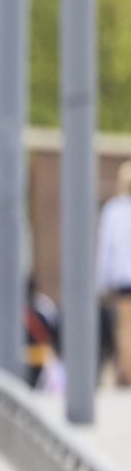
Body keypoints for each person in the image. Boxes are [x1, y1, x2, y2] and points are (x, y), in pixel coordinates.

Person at [94, 161, 131, 386]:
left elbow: (106, 248)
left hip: (123, 278)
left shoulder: (114, 210)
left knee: (125, 328)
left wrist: (101, 282)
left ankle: (127, 373)